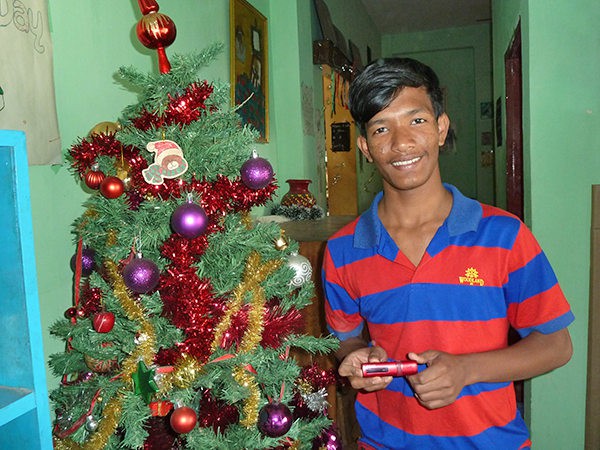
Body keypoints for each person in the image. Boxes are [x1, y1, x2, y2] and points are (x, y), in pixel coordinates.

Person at [322, 58, 574, 449]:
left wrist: (466, 370)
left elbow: (556, 345)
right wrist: (359, 356)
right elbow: (345, 339)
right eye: (381, 128)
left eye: (417, 120)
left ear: (441, 128)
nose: (401, 143)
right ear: (365, 147)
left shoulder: (504, 235)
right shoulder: (342, 250)